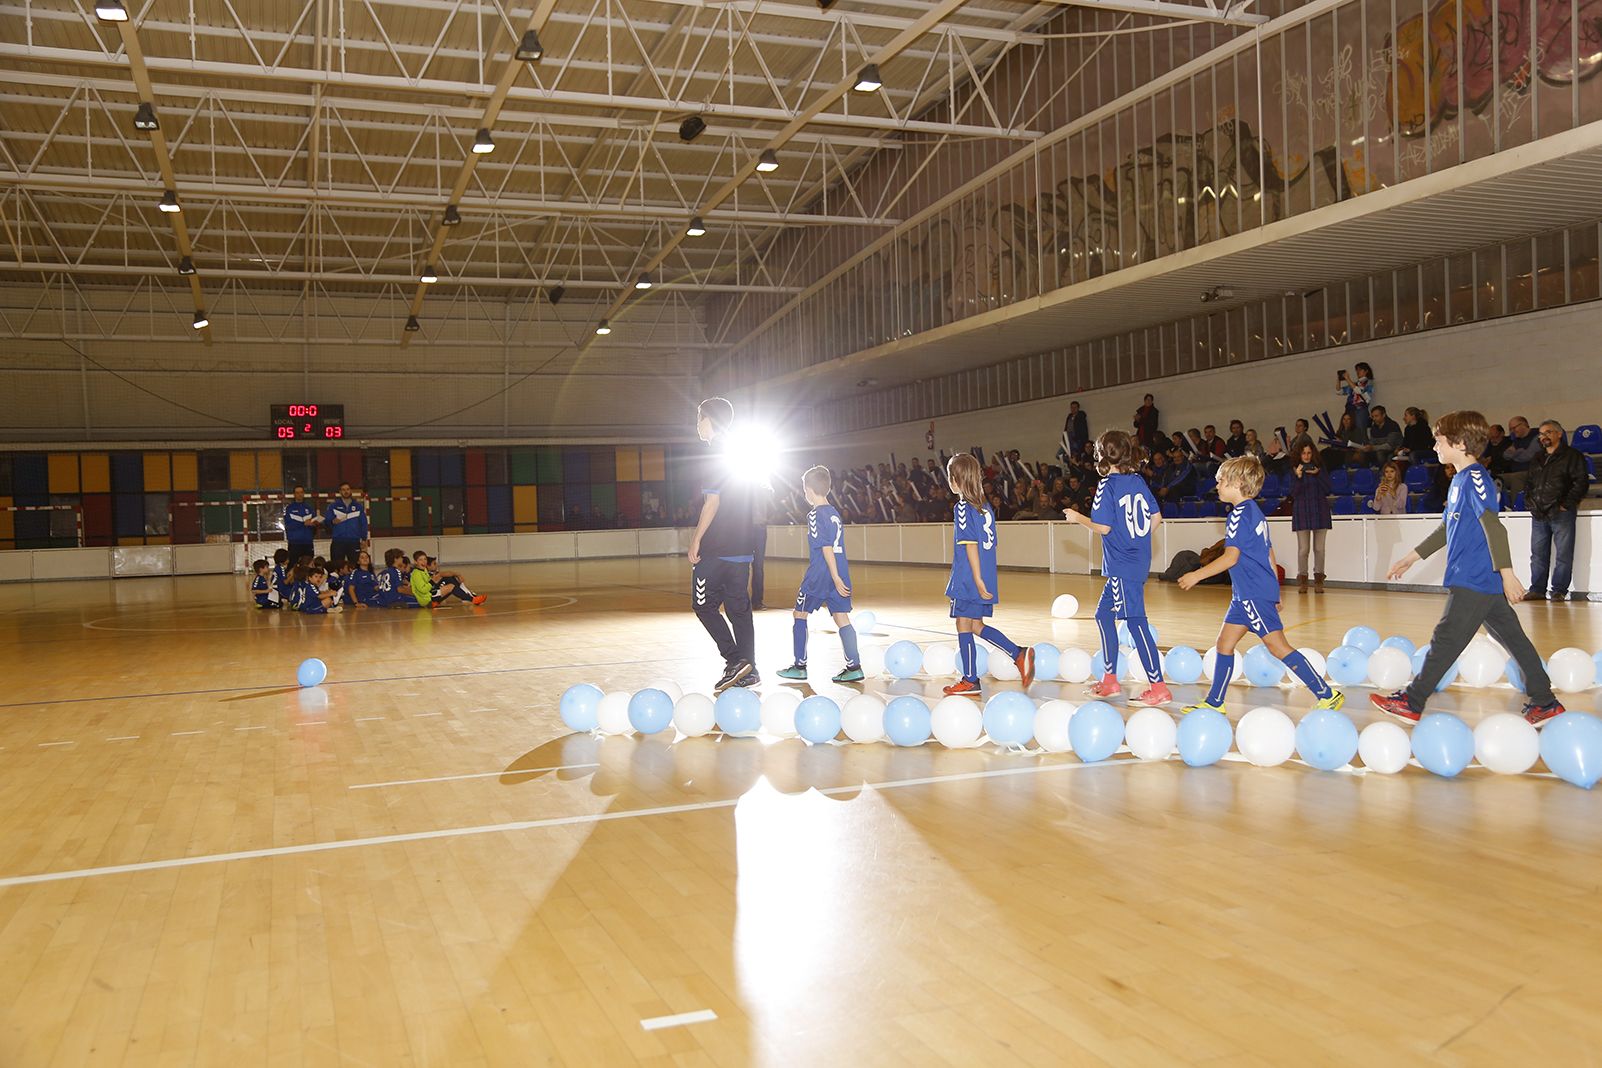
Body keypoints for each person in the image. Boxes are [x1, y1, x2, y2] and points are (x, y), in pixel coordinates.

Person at [1372, 411, 1564, 726]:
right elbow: (1447, 528)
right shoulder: (1458, 480)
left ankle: (1412, 700)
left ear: (1460, 444)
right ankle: (1545, 701)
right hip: (1478, 579)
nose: (1434, 446)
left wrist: (1507, 572)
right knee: (1513, 638)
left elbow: (1493, 526)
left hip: (1474, 576)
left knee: (1446, 637)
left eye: (1439, 441)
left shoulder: (1476, 479)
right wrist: (1411, 558)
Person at [1177, 456, 1346, 715]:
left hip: (1252, 595)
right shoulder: (1254, 512)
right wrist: (1275, 591)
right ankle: (1214, 702)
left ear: (1238, 483)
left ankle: (1326, 693)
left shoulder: (1238, 516)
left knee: (1278, 647)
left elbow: (1231, 556)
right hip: (1246, 595)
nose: (1217, 485)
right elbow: (1269, 554)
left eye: (1221, 480)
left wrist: (1197, 575)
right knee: (1224, 644)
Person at [1061, 430, 1171, 707]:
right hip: (1133, 562)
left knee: (1136, 623)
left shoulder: (1106, 485)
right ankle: (1110, 680)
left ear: (1101, 455)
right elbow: (1156, 518)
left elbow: (1104, 527)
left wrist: (1078, 518)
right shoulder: (1137, 480)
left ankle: (1158, 686)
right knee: (1103, 615)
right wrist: (1137, 540)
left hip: (1122, 566)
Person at [941, 453, 1034, 697]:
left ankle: (970, 680)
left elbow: (970, 544)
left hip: (969, 577)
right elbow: (991, 543)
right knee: (975, 625)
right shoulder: (985, 507)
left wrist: (977, 579)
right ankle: (1018, 653)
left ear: (955, 480)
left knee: (963, 624)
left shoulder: (962, 507)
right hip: (985, 573)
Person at [688, 397, 760, 693]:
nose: (697, 426)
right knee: (739, 610)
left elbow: (712, 502)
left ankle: (734, 659)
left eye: (699, 419)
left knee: (703, 605)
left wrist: (696, 539)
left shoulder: (713, 454)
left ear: (711, 420)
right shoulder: (741, 453)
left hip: (717, 548)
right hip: (743, 546)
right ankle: (749, 670)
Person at [777, 467, 864, 684]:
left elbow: (826, 547)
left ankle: (799, 666)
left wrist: (833, 577)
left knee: (799, 614)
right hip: (840, 571)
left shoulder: (815, 515)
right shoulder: (834, 512)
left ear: (807, 490)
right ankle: (854, 666)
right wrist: (839, 576)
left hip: (820, 575)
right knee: (841, 617)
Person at [1525, 420, 1588, 602]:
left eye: (1548, 432)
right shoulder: (1537, 458)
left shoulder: (1572, 456)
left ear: (1559, 434)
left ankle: (1559, 590)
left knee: (1563, 554)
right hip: (1538, 513)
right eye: (1541, 434)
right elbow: (1529, 483)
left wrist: (1566, 504)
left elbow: (1580, 482)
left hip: (1561, 512)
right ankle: (1537, 590)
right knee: (1537, 555)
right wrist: (1530, 502)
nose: (1544, 437)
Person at [1288, 444, 1333, 593]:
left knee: (1320, 548)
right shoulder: (1295, 470)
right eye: (1304, 453)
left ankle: (1319, 580)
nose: (1307, 456)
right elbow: (1293, 493)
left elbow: (1328, 489)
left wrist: (1318, 474)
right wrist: (1299, 477)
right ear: (1299, 455)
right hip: (1302, 510)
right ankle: (1303, 580)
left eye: (1309, 453)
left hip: (1320, 509)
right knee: (1303, 549)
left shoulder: (1320, 469)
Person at [324, 483, 368, 568]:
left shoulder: (358, 506)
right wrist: (332, 521)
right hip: (338, 541)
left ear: (350, 491)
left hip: (354, 541)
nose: (346, 491)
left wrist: (364, 538)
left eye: (347, 489)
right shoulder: (333, 506)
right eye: (343, 490)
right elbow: (327, 521)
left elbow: (363, 523)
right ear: (340, 492)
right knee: (336, 566)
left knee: (355, 566)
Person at [1500, 415, 1541, 492]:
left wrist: (1515, 452)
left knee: (1517, 478)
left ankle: (1516, 503)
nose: (1512, 431)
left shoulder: (1537, 436)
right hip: (1515, 472)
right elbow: (1505, 455)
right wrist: (1520, 451)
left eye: (1514, 428)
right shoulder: (1516, 439)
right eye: (1510, 429)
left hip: (1531, 473)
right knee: (1497, 479)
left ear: (1524, 424)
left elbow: (1527, 456)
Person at [283, 485, 320, 562]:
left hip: (308, 542)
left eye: (301, 492)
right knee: (293, 565)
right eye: (297, 493)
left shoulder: (309, 508)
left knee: (308, 566)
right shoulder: (290, 508)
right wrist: (303, 524)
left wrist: (314, 524)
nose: (299, 494)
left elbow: (315, 522)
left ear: (303, 494)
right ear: (294, 494)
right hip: (294, 543)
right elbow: (289, 525)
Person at [1337, 361, 1374, 429]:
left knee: (1359, 432)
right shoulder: (1354, 384)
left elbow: (1359, 391)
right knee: (1348, 430)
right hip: (1350, 410)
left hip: (1360, 410)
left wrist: (1348, 378)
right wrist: (1339, 379)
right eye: (1357, 370)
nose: (1357, 372)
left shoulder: (1369, 382)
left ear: (1366, 371)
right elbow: (1339, 391)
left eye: (1360, 370)